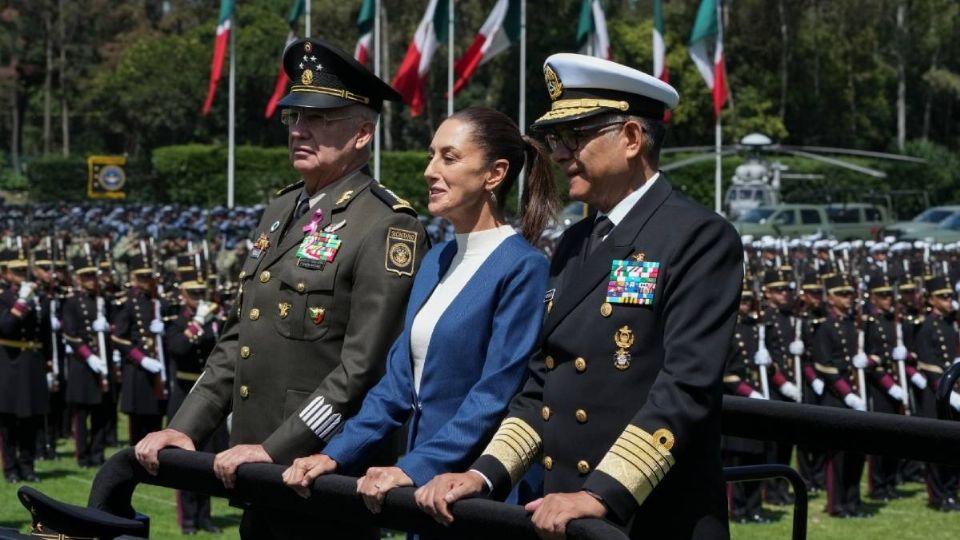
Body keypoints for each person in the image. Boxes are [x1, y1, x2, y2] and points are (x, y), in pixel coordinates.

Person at [416, 53, 743, 539]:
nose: (560, 153)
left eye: (575, 136)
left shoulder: (699, 237)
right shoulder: (574, 244)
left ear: (631, 139)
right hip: (563, 513)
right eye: (554, 139)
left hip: (647, 519)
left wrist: (600, 493)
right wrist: (482, 474)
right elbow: (539, 387)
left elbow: (685, 388)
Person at [133, 38, 428, 540]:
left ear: (362, 133)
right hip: (258, 472)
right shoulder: (281, 211)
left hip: (322, 477)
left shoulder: (383, 225)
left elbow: (360, 371)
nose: (300, 130)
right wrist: (186, 426)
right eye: (294, 118)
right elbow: (238, 338)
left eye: (320, 119)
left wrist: (277, 448)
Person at [280, 107, 559, 515]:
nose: (430, 170)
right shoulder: (436, 259)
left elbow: (494, 395)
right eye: (431, 155)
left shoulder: (522, 267)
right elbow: (396, 387)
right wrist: (333, 455)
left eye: (449, 157)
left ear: (494, 175)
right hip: (420, 489)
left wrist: (414, 467)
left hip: (476, 495)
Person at [164, 267, 226, 534]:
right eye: (193, 293)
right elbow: (178, 348)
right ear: (183, 295)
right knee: (185, 458)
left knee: (209, 456)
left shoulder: (213, 318)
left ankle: (205, 516)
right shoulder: (176, 320)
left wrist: (214, 321)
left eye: (202, 292)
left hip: (209, 393)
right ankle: (188, 518)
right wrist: (196, 323)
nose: (199, 297)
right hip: (185, 393)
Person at [812, 273, 870, 518]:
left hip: (857, 394)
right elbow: (824, 365)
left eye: (850, 294)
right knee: (837, 456)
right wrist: (848, 395)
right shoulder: (825, 327)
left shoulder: (853, 324)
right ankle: (836, 504)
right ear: (832, 298)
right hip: (838, 399)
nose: (849, 298)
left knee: (856, 453)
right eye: (843, 294)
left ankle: (853, 502)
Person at [0, 246, 49, 483]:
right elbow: (5, 327)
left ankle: (28, 465)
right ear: (6, 273)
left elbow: (44, 332)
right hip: (10, 363)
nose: (21, 274)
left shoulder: (36, 296)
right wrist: (20, 301)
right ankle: (10, 467)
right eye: (15, 271)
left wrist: (49, 363)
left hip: (32, 362)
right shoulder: (3, 296)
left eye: (23, 270)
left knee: (30, 419)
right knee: (8, 420)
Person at [913, 275, 960, 511]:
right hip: (937, 396)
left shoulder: (951, 324)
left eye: (950, 296)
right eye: (943, 296)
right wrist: (951, 394)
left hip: (953, 393)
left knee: (954, 447)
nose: (948, 300)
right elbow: (931, 368)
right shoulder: (927, 327)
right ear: (931, 299)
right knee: (937, 449)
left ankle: (951, 492)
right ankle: (938, 496)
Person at [62, 253, 113, 468]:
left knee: (101, 411)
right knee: (81, 414)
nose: (92, 280)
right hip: (83, 364)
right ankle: (82, 455)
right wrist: (88, 355)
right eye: (87, 276)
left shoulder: (103, 301)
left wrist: (108, 329)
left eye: (94, 275)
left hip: (102, 362)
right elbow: (70, 334)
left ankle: (97, 452)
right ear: (79, 279)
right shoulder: (73, 303)